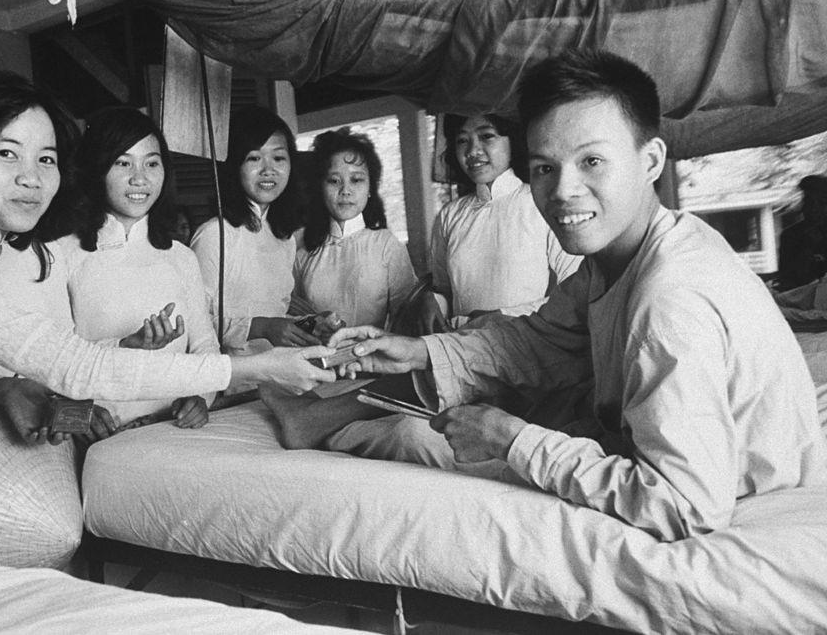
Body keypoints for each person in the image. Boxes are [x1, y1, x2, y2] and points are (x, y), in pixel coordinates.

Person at [266, 49, 827, 542]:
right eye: (544, 167)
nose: (562, 191)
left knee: (452, 436)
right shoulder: (616, 258)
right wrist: (420, 351)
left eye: (592, 161)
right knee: (481, 401)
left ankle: (338, 425)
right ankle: (332, 418)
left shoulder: (670, 298)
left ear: (651, 160)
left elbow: (682, 506)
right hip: (634, 432)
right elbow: (538, 341)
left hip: (720, 490)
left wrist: (512, 440)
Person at [0, 71, 335, 534]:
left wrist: (2, 390)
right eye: (6, 153)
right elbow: (75, 367)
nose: (32, 177)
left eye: (47, 158)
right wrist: (264, 366)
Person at [60, 107, 218, 431]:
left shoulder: (181, 257)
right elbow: (49, 361)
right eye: (123, 163)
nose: (140, 178)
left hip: (171, 431)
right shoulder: (63, 254)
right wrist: (76, 417)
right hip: (100, 439)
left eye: (151, 163)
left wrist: (201, 398)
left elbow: (205, 347)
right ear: (96, 169)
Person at [424, 112, 581, 331]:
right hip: (461, 347)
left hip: (528, 345)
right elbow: (444, 290)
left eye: (487, 136)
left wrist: (504, 315)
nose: (472, 151)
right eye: (462, 141)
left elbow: (576, 293)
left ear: (513, 141)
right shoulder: (450, 215)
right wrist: (433, 302)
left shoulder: (541, 202)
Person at [191, 105, 318, 354]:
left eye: (278, 158)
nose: (268, 169)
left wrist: (309, 324)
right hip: (232, 380)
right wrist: (262, 328)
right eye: (254, 158)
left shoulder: (284, 237)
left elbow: (274, 312)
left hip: (279, 373)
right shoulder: (214, 235)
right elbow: (194, 323)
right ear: (234, 165)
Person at [293, 127, 418, 330]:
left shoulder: (386, 245)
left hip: (373, 357)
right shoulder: (302, 248)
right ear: (320, 188)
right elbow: (293, 317)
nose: (346, 191)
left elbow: (407, 318)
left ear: (370, 188)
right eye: (334, 181)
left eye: (356, 180)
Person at [777, 174, 827, 291]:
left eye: (822, 203)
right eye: (808, 201)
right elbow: (787, 280)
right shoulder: (790, 236)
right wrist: (808, 247)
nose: (814, 208)